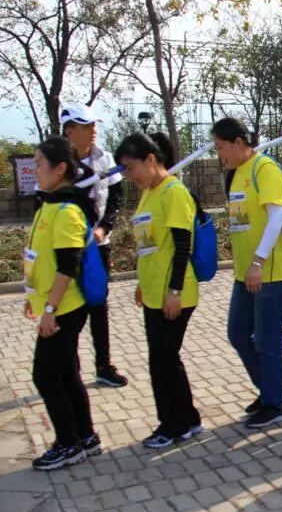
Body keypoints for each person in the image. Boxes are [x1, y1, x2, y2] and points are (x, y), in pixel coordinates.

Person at [115, 132, 203, 448]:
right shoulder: (148, 193)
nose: (129, 175)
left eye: (130, 167)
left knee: (163, 361)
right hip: (154, 291)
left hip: (174, 292)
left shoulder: (173, 192)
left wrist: (174, 290)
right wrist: (143, 283)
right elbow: (150, 245)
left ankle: (172, 426)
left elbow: (182, 245)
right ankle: (188, 419)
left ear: (151, 160)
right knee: (166, 359)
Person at [213, 117, 282, 430]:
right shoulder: (235, 174)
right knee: (238, 333)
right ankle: (270, 390)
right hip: (245, 272)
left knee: (267, 339)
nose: (219, 154)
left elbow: (276, 218)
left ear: (238, 142)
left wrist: (259, 261)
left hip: (271, 270)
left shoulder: (265, 169)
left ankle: (274, 404)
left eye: (221, 147)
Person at [25, 136, 101, 470]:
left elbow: (68, 266)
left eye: (39, 163)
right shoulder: (50, 204)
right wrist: (33, 298)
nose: (34, 169)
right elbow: (39, 258)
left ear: (60, 169)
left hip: (65, 308)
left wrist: (51, 310)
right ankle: (85, 437)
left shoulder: (68, 210)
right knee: (67, 373)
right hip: (52, 306)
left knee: (45, 375)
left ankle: (67, 443)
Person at [60, 103, 128, 388]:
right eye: (86, 127)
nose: (93, 131)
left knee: (98, 304)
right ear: (69, 130)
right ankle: (69, 367)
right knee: (70, 308)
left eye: (94, 125)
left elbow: (115, 197)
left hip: (99, 245)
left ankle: (103, 365)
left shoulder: (105, 158)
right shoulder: (57, 162)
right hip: (68, 246)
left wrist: (104, 227)